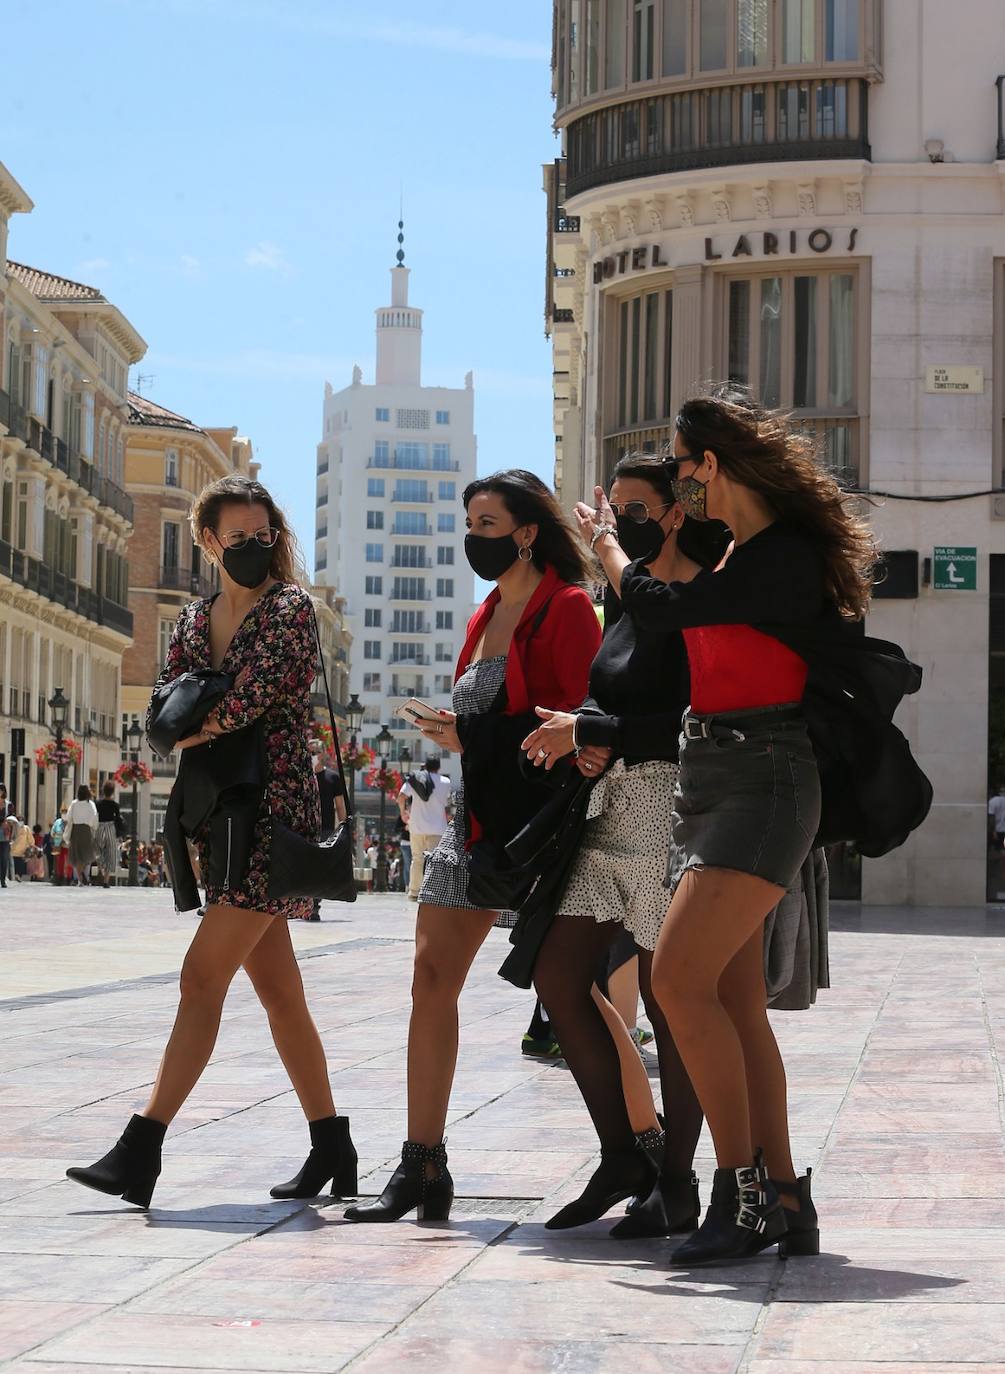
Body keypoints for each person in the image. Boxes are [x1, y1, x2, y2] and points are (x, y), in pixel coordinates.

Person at [585, 385, 877, 1266]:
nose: (677, 491)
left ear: (708, 466)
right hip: (708, 774)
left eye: (680, 472)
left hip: (764, 778)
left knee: (675, 981)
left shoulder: (779, 559)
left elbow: (659, 609)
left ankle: (739, 1193)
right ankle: (784, 1195)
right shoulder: (733, 553)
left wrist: (604, 546)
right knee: (736, 1003)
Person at [65, 473, 357, 1211]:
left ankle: (142, 1146)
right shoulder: (195, 620)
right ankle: (333, 1146)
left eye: (264, 536)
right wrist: (193, 717)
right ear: (207, 541)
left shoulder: (290, 609)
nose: (255, 547)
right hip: (219, 815)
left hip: (274, 813)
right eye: (239, 537)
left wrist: (196, 720)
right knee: (279, 992)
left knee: (202, 977)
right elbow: (167, 700)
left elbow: (247, 698)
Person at [346, 468, 601, 1224]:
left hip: (543, 832)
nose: (473, 538)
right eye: (469, 523)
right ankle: (421, 1164)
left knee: (570, 997)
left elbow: (580, 722)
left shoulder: (567, 607)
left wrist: (475, 733)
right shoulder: (484, 612)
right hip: (476, 823)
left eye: (487, 524)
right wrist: (458, 733)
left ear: (526, 531)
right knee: (430, 977)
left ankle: (639, 1146)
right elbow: (494, 727)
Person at [521, 453, 709, 1237]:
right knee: (558, 979)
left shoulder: (695, 592)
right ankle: (624, 1151)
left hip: (671, 813)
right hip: (609, 814)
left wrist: (594, 730)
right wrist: (586, 738)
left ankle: (677, 1181)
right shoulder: (623, 601)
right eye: (614, 508)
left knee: (674, 1003)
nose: (620, 520)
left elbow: (699, 713)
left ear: (674, 512)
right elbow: (610, 697)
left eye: (638, 507)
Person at [398, 756, 452, 901]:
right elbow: (447, 802)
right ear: (439, 767)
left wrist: (403, 813)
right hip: (438, 828)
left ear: (425, 766)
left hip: (417, 826)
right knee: (435, 861)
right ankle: (435, 892)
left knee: (417, 859)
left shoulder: (416, 780)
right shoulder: (446, 782)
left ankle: (414, 891)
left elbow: (401, 796)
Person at [305, 738, 348, 920]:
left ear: (323, 754)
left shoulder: (332, 778)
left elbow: (340, 806)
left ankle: (315, 906)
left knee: (319, 869)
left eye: (315, 752)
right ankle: (305, 903)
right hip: (304, 828)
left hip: (325, 829)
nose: (312, 756)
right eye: (310, 752)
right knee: (305, 867)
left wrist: (344, 828)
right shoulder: (302, 776)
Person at [66, 786, 99, 886]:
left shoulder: (74, 803)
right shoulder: (91, 804)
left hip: (76, 830)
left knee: (77, 855)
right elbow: (94, 817)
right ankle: (84, 875)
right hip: (86, 830)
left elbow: (69, 816)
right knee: (87, 854)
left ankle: (80, 877)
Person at [95, 782, 124, 889]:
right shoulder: (115, 805)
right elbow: (118, 819)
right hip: (110, 828)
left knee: (98, 851)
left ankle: (101, 868)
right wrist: (120, 834)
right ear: (112, 792)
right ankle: (106, 880)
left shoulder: (97, 803)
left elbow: (95, 816)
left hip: (100, 827)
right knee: (111, 853)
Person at [51, 806, 69, 885]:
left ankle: (68, 877)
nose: (64, 814)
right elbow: (53, 832)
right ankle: (59, 876)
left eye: (65, 812)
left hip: (67, 844)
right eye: (63, 812)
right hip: (58, 845)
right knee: (59, 861)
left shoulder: (70, 822)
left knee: (68, 862)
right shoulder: (57, 822)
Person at [0, 786, 10, 890]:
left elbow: (12, 817)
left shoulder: (8, 805)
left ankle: (2, 880)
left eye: (1, 790)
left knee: (4, 858)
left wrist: (7, 822)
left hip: (5, 834)